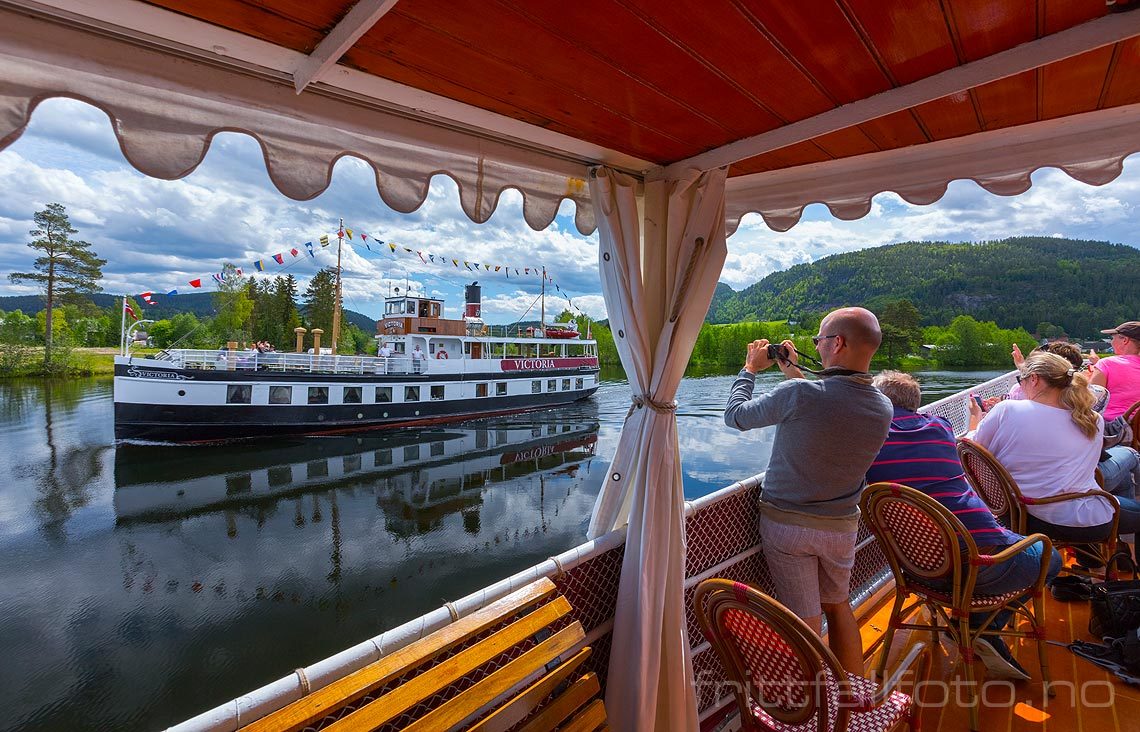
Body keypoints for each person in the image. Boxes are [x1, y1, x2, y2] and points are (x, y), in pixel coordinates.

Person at [724, 307, 891, 675]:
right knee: (839, 605)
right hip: (842, 529)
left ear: (837, 343)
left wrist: (749, 369)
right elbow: (827, 403)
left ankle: (816, 709)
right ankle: (853, 696)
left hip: (789, 528)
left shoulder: (799, 394)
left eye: (819, 339)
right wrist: (793, 373)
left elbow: (735, 416)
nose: (816, 345)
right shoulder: (883, 405)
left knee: (805, 620)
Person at [869, 371, 1061, 680]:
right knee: (1051, 556)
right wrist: (977, 418)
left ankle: (971, 624)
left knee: (1010, 538)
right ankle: (981, 625)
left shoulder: (865, 441)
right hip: (978, 568)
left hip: (917, 568)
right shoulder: (940, 427)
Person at [968, 352, 1140, 543]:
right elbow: (1086, 473)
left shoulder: (1006, 410)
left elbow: (973, 450)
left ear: (1034, 379)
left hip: (1017, 517)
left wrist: (975, 418)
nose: (1021, 385)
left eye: (1021, 379)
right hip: (1083, 523)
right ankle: (1120, 562)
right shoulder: (1093, 420)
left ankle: (1099, 563)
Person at [1090, 321, 1140, 421]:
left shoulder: (1106, 364)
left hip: (1112, 430)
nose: (1111, 342)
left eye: (1113, 338)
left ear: (1125, 340)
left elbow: (1090, 400)